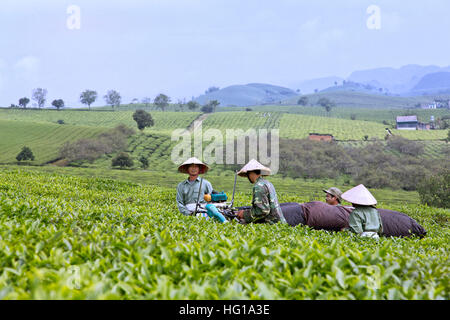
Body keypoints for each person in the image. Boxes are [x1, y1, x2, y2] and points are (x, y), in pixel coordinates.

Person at [235, 159, 287, 225]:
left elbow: (263, 211)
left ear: (252, 172)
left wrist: (244, 214)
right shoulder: (267, 183)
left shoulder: (258, 186)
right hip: (280, 223)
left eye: (248, 173)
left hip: (272, 224)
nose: (248, 176)